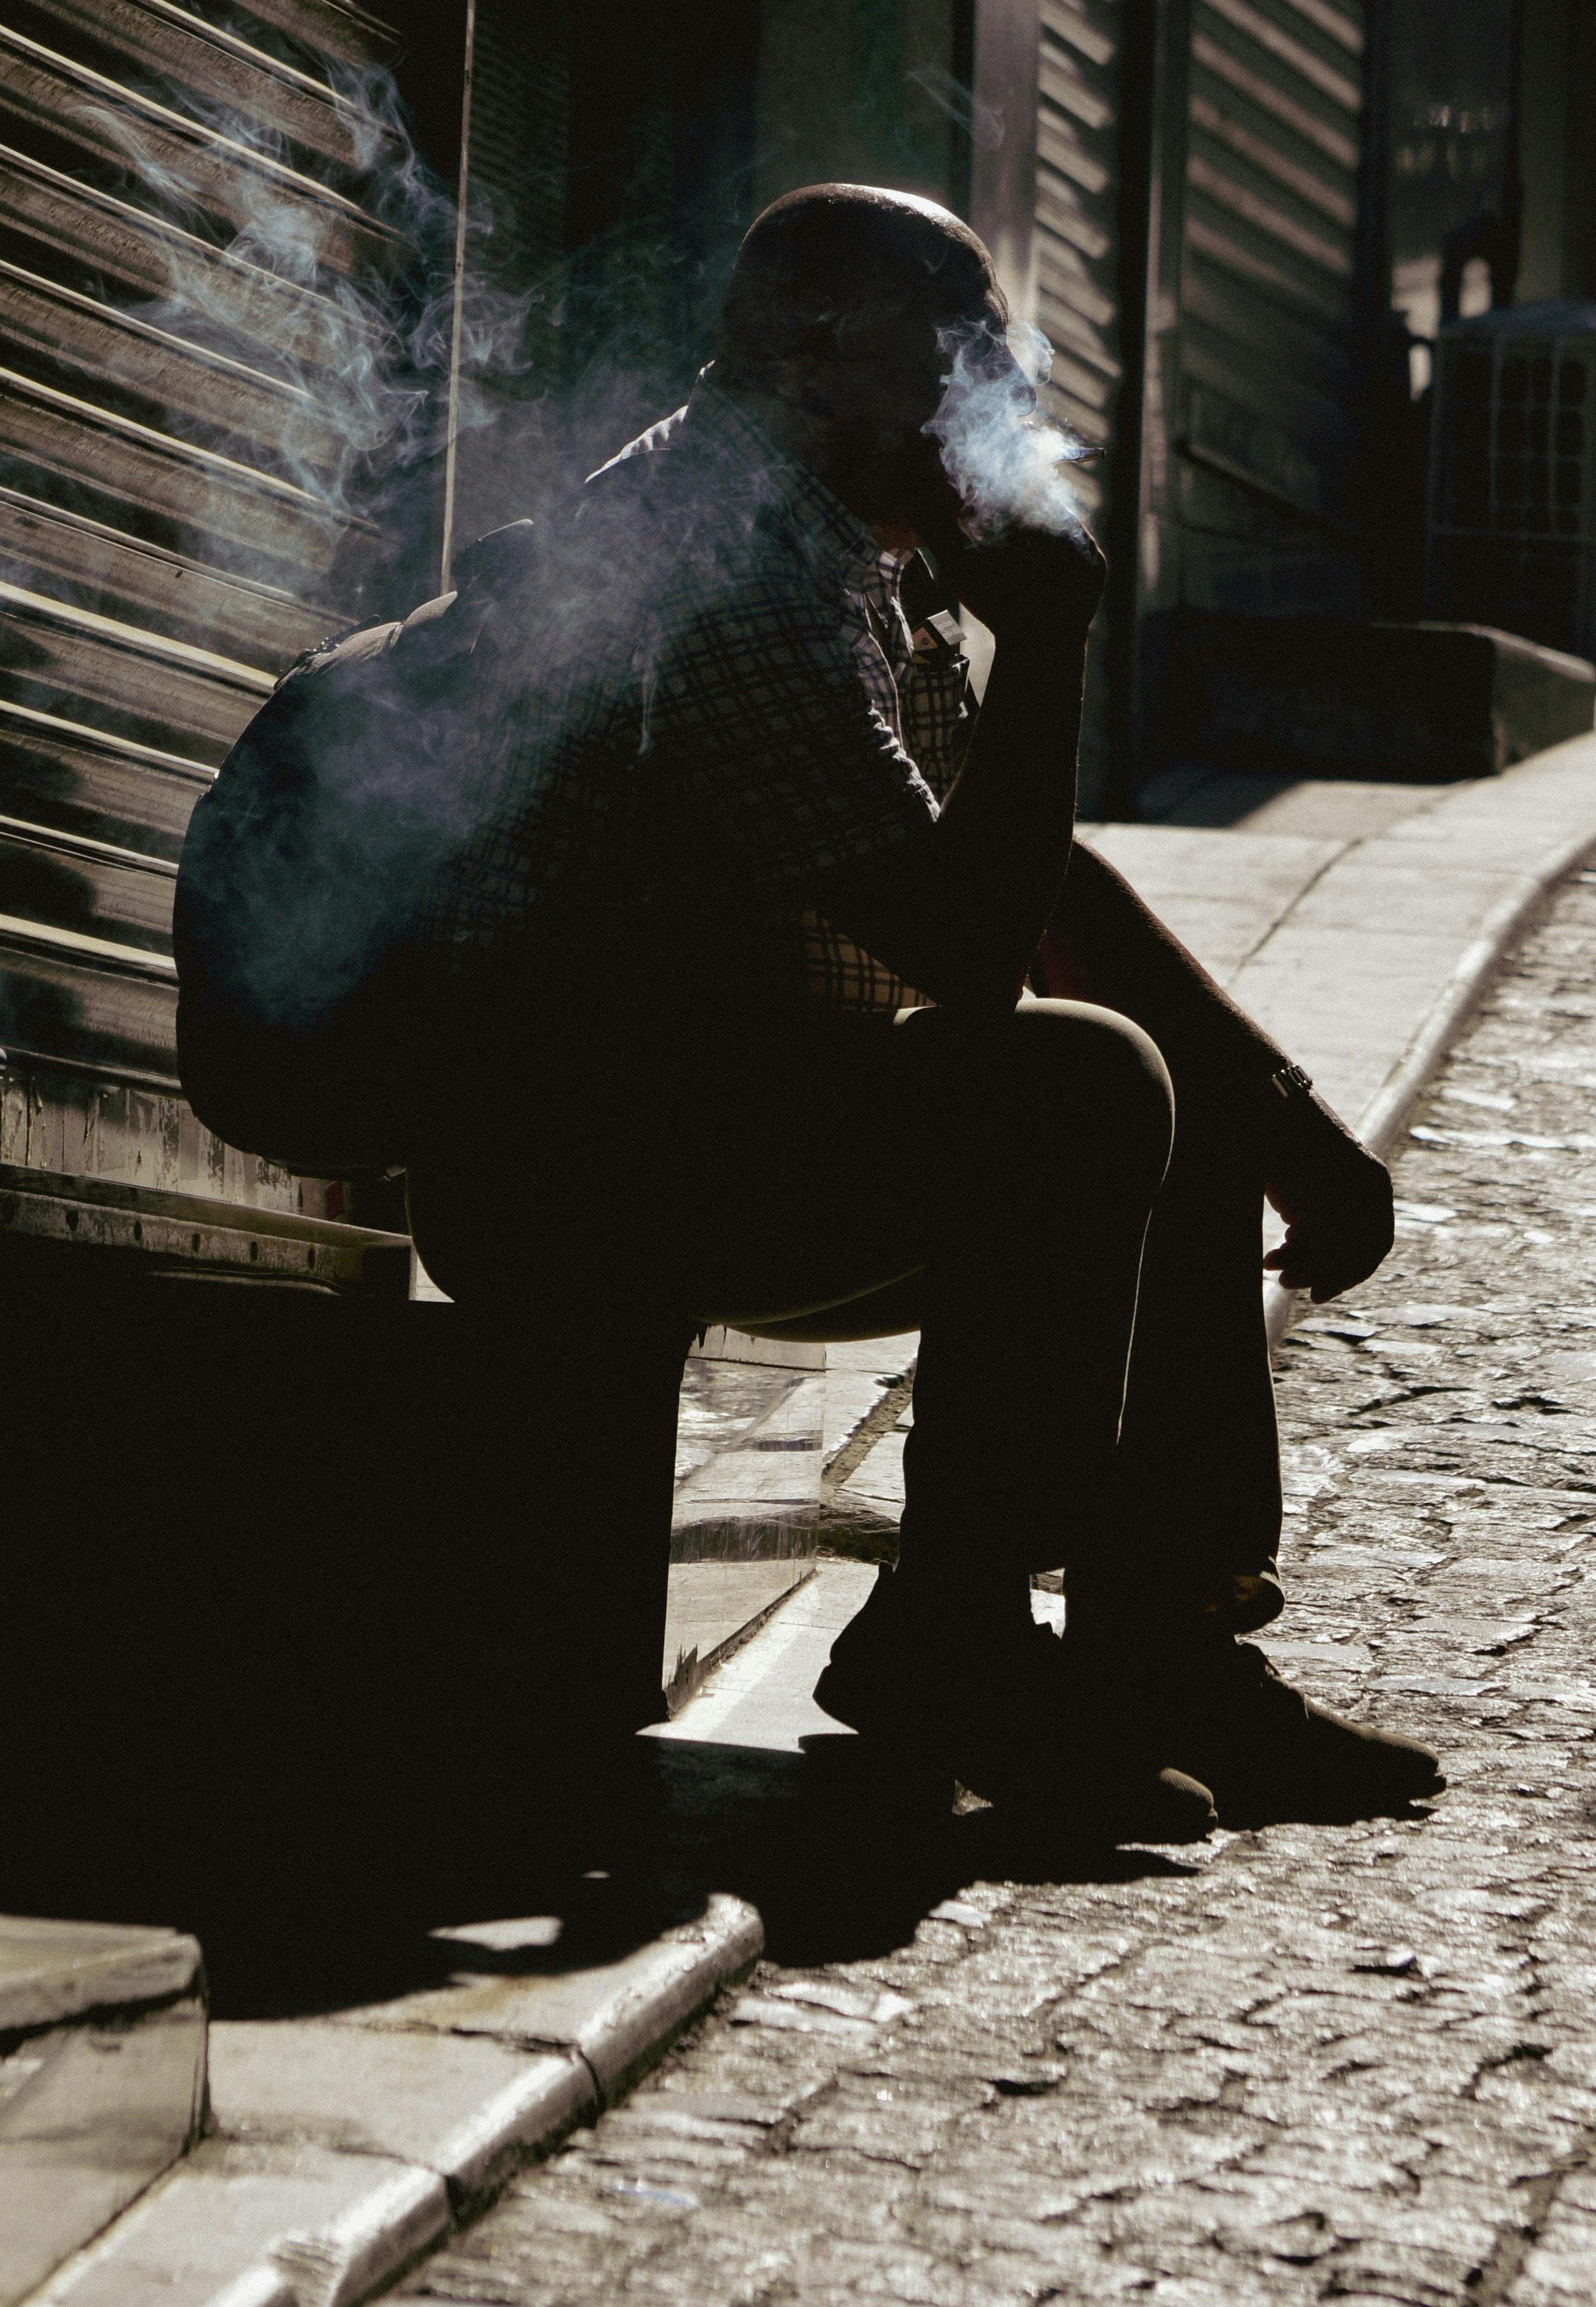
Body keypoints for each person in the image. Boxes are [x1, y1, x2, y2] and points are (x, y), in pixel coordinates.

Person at [405, 184, 1441, 1837]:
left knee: (1168, 1079)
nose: (993, 397)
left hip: (739, 1107)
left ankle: (1153, 1650)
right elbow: (970, 944)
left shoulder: (833, 548)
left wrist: (1285, 1120)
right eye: (953, 355)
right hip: (593, 1152)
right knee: (1085, 1087)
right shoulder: (717, 558)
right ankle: (950, 1635)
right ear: (814, 358)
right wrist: (1046, 642)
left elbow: (1042, 884)